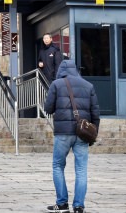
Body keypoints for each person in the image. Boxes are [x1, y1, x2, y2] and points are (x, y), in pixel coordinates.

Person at [44, 59, 101, 213]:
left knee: (58, 166)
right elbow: (96, 114)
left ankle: (62, 203)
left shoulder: (56, 84)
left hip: (62, 132)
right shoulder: (88, 85)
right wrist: (92, 135)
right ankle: (78, 206)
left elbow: (48, 108)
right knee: (81, 170)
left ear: (60, 70)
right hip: (82, 133)